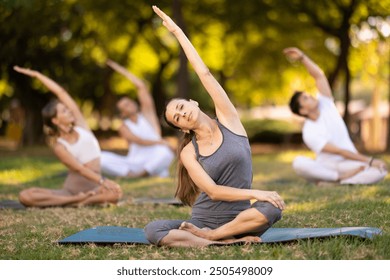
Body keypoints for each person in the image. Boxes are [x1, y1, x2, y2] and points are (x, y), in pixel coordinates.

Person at [144, 6, 285, 248]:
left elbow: (205, 74)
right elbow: (214, 191)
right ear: (182, 128)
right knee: (153, 229)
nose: (181, 114)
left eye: (180, 107)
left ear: (193, 102)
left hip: (241, 219)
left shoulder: (230, 122)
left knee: (272, 208)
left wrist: (177, 32)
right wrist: (256, 192)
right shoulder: (189, 152)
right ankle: (217, 241)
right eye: (176, 118)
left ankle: (217, 236)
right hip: (203, 221)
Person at [13, 66, 122, 207]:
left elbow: (61, 92)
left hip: (95, 189)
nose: (69, 110)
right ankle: (75, 201)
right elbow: (80, 169)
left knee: (116, 193)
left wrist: (37, 75)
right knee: (25, 196)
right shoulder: (60, 146)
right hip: (71, 191)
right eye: (64, 111)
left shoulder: (81, 126)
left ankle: (81, 201)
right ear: (55, 120)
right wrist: (104, 181)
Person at [284, 47, 388, 185]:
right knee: (298, 163)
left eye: (307, 95)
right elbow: (339, 151)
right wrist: (370, 160)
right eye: (305, 98)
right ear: (302, 111)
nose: (310, 96)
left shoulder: (325, 103)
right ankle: (338, 178)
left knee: (380, 171)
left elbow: (319, 76)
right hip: (329, 167)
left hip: (350, 162)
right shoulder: (308, 132)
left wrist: (302, 57)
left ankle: (336, 182)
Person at [100, 59, 174, 178]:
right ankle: (135, 173)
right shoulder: (123, 126)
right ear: (123, 113)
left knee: (165, 152)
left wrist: (119, 69)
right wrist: (160, 141)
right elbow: (138, 141)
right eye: (125, 106)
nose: (130, 105)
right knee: (101, 158)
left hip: (155, 157)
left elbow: (141, 86)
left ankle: (142, 174)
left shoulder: (147, 115)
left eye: (130, 102)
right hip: (135, 162)